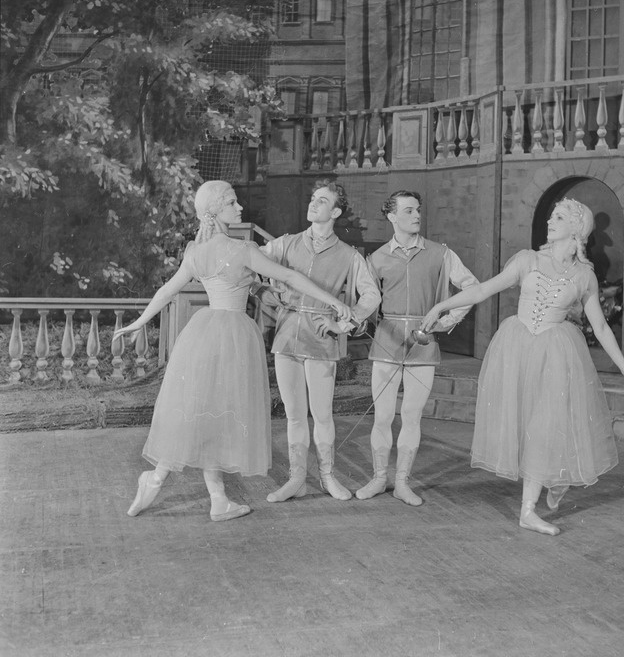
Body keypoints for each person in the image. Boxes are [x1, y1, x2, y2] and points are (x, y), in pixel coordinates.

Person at [113, 180, 352, 522]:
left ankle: (210, 495)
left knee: (207, 411)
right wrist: (333, 300)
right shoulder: (243, 250)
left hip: (204, 333)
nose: (240, 209)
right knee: (219, 412)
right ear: (216, 211)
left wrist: (139, 321)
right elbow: (291, 277)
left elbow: (166, 291)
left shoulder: (196, 252)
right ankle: (160, 482)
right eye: (233, 203)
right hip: (235, 335)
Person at [422, 198, 624, 536]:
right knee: (526, 422)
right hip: (518, 347)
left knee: (545, 425)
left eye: (559, 217)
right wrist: (442, 305)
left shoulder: (584, 276)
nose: (550, 221)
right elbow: (483, 290)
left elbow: (599, 327)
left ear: (576, 228)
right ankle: (553, 478)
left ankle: (529, 509)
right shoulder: (528, 260)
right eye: (552, 215)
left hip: (556, 353)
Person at [258, 179, 381, 503]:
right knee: (294, 415)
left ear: (336, 211)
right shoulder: (286, 243)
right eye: (313, 199)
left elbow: (371, 295)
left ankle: (327, 477)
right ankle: (297, 478)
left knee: (322, 415)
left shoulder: (348, 255)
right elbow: (250, 262)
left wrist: (345, 323)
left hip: (322, 340)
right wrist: (268, 290)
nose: (314, 204)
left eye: (322, 201)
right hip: (286, 338)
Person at [356, 190, 479, 506]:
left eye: (418, 210)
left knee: (411, 416)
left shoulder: (441, 254)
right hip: (386, 342)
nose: (416, 215)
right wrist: (356, 318)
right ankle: (380, 478)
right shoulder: (377, 258)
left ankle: (401, 483)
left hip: (423, 344)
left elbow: (473, 288)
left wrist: (445, 319)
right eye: (408, 210)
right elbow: (366, 301)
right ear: (392, 217)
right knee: (382, 416)